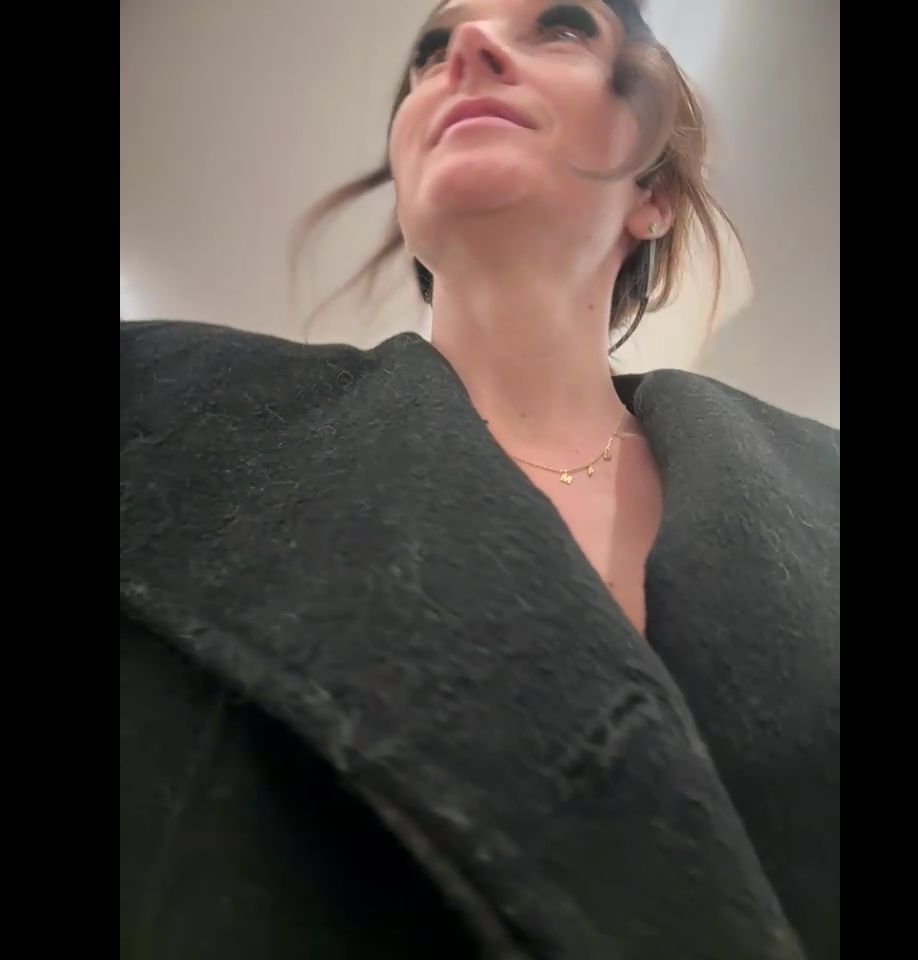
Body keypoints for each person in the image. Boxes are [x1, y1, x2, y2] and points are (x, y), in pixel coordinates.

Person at [120, 1, 840, 958]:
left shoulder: (825, 488)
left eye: (563, 26)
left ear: (655, 193)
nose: (467, 46)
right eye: (430, 50)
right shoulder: (155, 409)